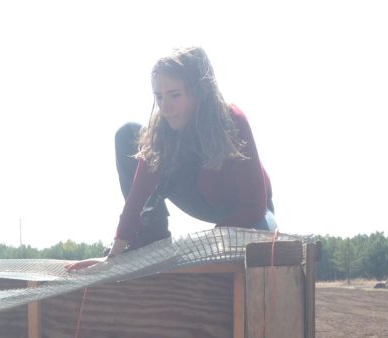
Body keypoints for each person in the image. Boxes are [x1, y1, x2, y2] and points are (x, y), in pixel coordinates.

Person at [70, 46, 275, 270]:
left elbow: (255, 206)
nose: (165, 107)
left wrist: (209, 241)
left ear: (199, 91)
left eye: (175, 95)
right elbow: (136, 199)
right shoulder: (162, 131)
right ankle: (151, 235)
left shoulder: (232, 120)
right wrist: (113, 257)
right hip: (201, 199)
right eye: (159, 97)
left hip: (248, 211)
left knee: (264, 246)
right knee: (128, 133)